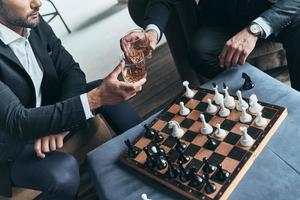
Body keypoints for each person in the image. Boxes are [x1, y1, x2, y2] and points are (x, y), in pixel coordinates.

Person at [0, 0, 146, 199]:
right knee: (63, 172)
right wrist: (94, 99)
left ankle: (152, 159)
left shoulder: (32, 22)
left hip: (48, 114)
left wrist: (61, 123)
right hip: (10, 146)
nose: (38, 3)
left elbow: (71, 70)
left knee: (108, 94)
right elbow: (17, 120)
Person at [122, 0, 300, 91]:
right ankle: (260, 94)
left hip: (272, 12)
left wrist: (254, 29)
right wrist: (151, 32)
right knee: (200, 53)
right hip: (221, 15)